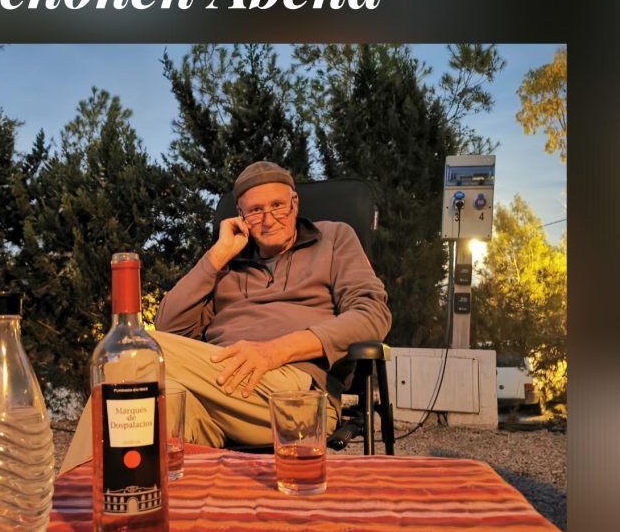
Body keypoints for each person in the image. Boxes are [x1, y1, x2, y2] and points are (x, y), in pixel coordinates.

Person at [60, 160, 391, 471]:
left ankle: (66, 498)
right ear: (240, 216)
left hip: (294, 396)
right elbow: (168, 326)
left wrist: (277, 350)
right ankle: (108, 506)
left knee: (129, 350)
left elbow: (372, 314)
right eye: (255, 210)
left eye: (278, 205)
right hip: (218, 391)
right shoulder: (229, 262)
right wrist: (216, 257)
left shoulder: (334, 238)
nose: (268, 219)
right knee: (142, 399)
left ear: (295, 204)